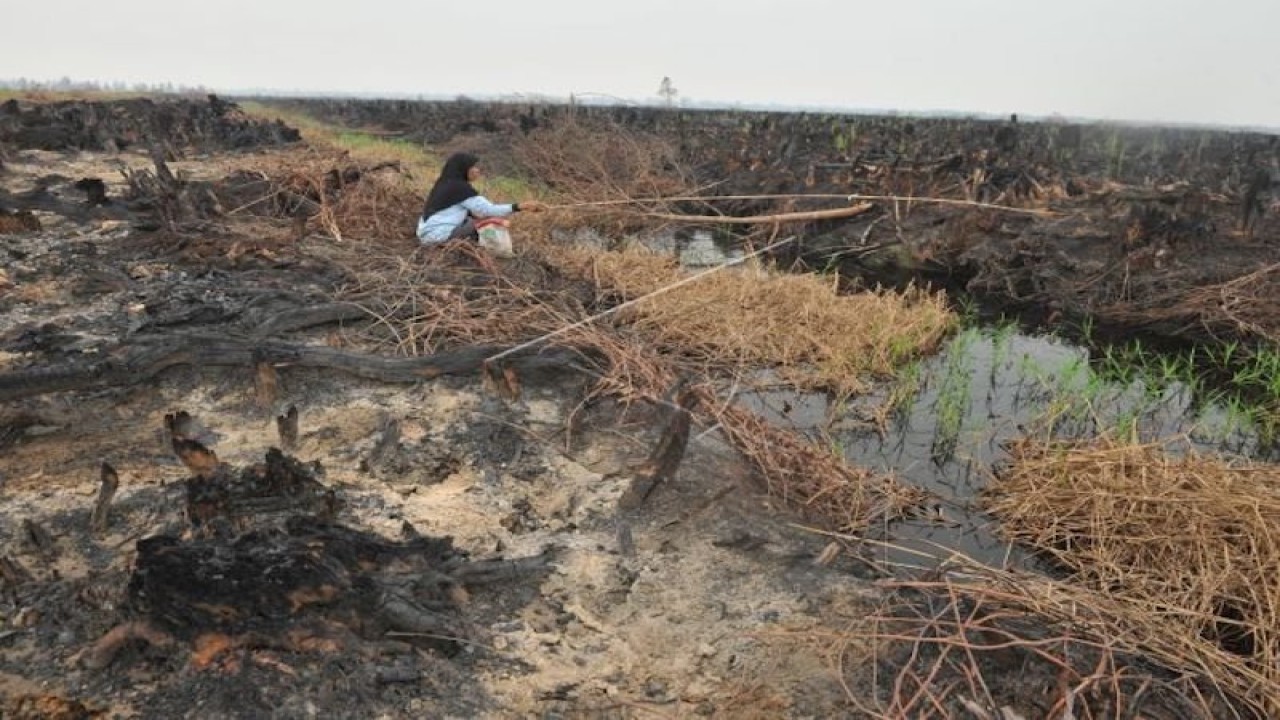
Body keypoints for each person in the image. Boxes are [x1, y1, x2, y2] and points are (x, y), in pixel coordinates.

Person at [416, 152, 545, 244]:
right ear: (464, 169)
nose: (477, 170)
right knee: (487, 223)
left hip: (426, 233)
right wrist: (520, 206)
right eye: (473, 167)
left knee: (475, 219)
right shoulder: (460, 188)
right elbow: (489, 210)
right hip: (438, 235)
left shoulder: (445, 183)